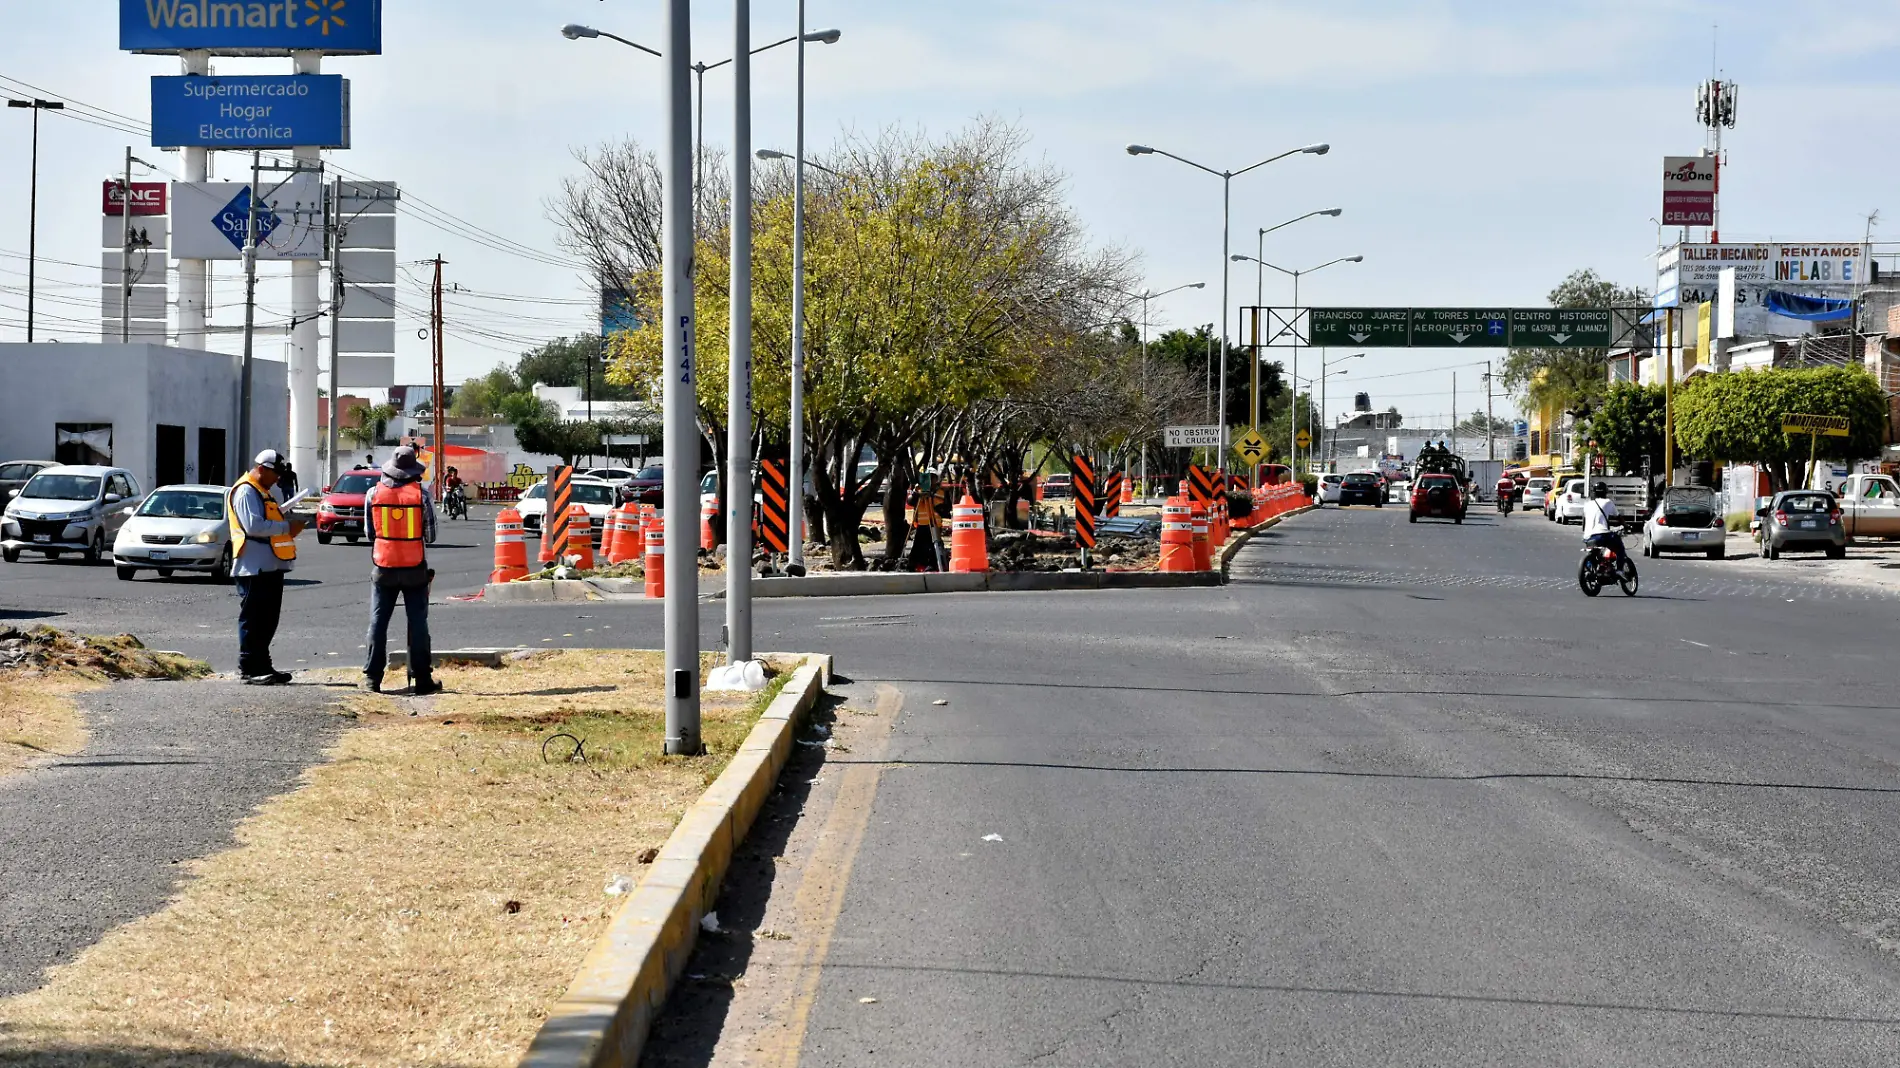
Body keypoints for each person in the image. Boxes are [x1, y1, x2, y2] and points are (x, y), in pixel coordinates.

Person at [363, 446, 441, 695]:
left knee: (378, 622)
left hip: (383, 566)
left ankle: (372, 679)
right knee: (418, 623)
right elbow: (431, 535)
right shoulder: (422, 496)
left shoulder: (373, 493)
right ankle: (422, 680)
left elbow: (369, 533)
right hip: (414, 568)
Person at [228, 450, 304, 685]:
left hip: (269, 565)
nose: (278, 478)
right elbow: (252, 525)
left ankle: (263, 665)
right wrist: (285, 528)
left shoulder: (262, 492)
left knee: (268, 619)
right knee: (253, 619)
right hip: (253, 567)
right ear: (261, 468)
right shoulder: (246, 491)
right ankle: (249, 668)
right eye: (275, 473)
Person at [1580, 480, 1625, 560]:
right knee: (1619, 547)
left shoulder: (1587, 504)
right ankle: (1619, 570)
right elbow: (1618, 517)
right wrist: (1625, 525)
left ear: (1594, 493)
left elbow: (1584, 522)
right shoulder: (1608, 502)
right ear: (1605, 492)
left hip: (1587, 537)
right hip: (1602, 535)